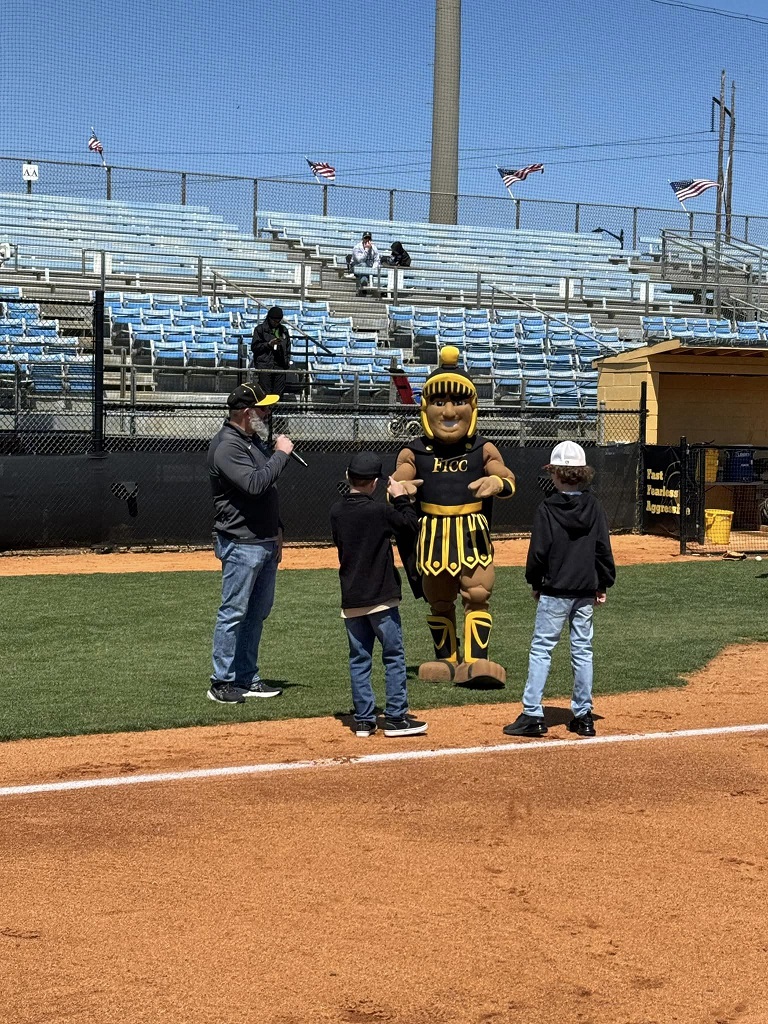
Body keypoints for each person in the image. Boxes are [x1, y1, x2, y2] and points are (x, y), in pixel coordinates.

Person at [503, 440, 616, 739]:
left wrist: (536, 583)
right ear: (582, 473)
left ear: (556, 473)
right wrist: (602, 583)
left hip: (555, 590)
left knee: (542, 649)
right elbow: (603, 548)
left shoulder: (546, 508)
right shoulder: (594, 506)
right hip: (585, 590)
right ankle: (583, 716)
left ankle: (532, 714)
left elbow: (538, 552)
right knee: (583, 650)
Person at [207, 382, 295, 705]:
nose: (268, 414)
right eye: (263, 409)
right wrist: (281, 455)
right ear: (247, 413)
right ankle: (221, 681)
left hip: (265, 540)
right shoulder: (227, 447)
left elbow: (267, 493)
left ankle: (246, 675)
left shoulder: (252, 441)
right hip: (242, 543)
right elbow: (256, 485)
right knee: (233, 612)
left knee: (257, 611)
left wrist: (278, 528)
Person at [330, 451, 428, 738]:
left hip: (352, 596)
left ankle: (363, 720)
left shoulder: (336, 511)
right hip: (381, 596)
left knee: (359, 658)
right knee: (393, 656)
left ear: (348, 477)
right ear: (374, 483)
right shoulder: (380, 511)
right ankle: (396, 717)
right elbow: (411, 525)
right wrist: (400, 497)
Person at [251, 306, 291, 397]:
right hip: (265, 364)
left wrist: (287, 360)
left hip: (280, 365)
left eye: (278, 321)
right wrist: (268, 344)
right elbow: (255, 347)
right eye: (274, 321)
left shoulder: (283, 330)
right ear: (269, 318)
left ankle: (277, 409)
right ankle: (266, 410)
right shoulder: (260, 330)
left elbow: (288, 347)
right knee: (265, 391)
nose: (276, 323)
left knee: (278, 392)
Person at [347, 231, 381, 295]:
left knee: (379, 269)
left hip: (369, 269)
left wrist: (373, 269)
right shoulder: (357, 247)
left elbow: (377, 260)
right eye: (366, 238)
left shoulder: (374, 248)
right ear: (362, 239)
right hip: (356, 268)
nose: (367, 240)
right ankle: (364, 286)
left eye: (369, 239)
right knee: (363, 265)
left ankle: (363, 285)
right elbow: (360, 260)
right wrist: (366, 250)